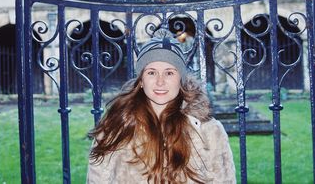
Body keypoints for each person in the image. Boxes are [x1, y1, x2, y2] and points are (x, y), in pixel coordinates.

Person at [87, 28, 236, 183]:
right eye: (151, 72)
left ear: (181, 80)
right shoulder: (115, 130)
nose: (160, 81)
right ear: (141, 81)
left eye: (169, 73)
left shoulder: (210, 132)